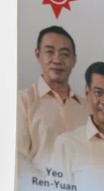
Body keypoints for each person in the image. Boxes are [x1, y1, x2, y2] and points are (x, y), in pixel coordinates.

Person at [17, 26, 89, 170]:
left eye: (65, 54)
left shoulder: (87, 108)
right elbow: (17, 156)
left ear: (74, 60)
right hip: (39, 183)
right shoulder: (24, 100)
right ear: (38, 55)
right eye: (50, 52)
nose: (57, 60)